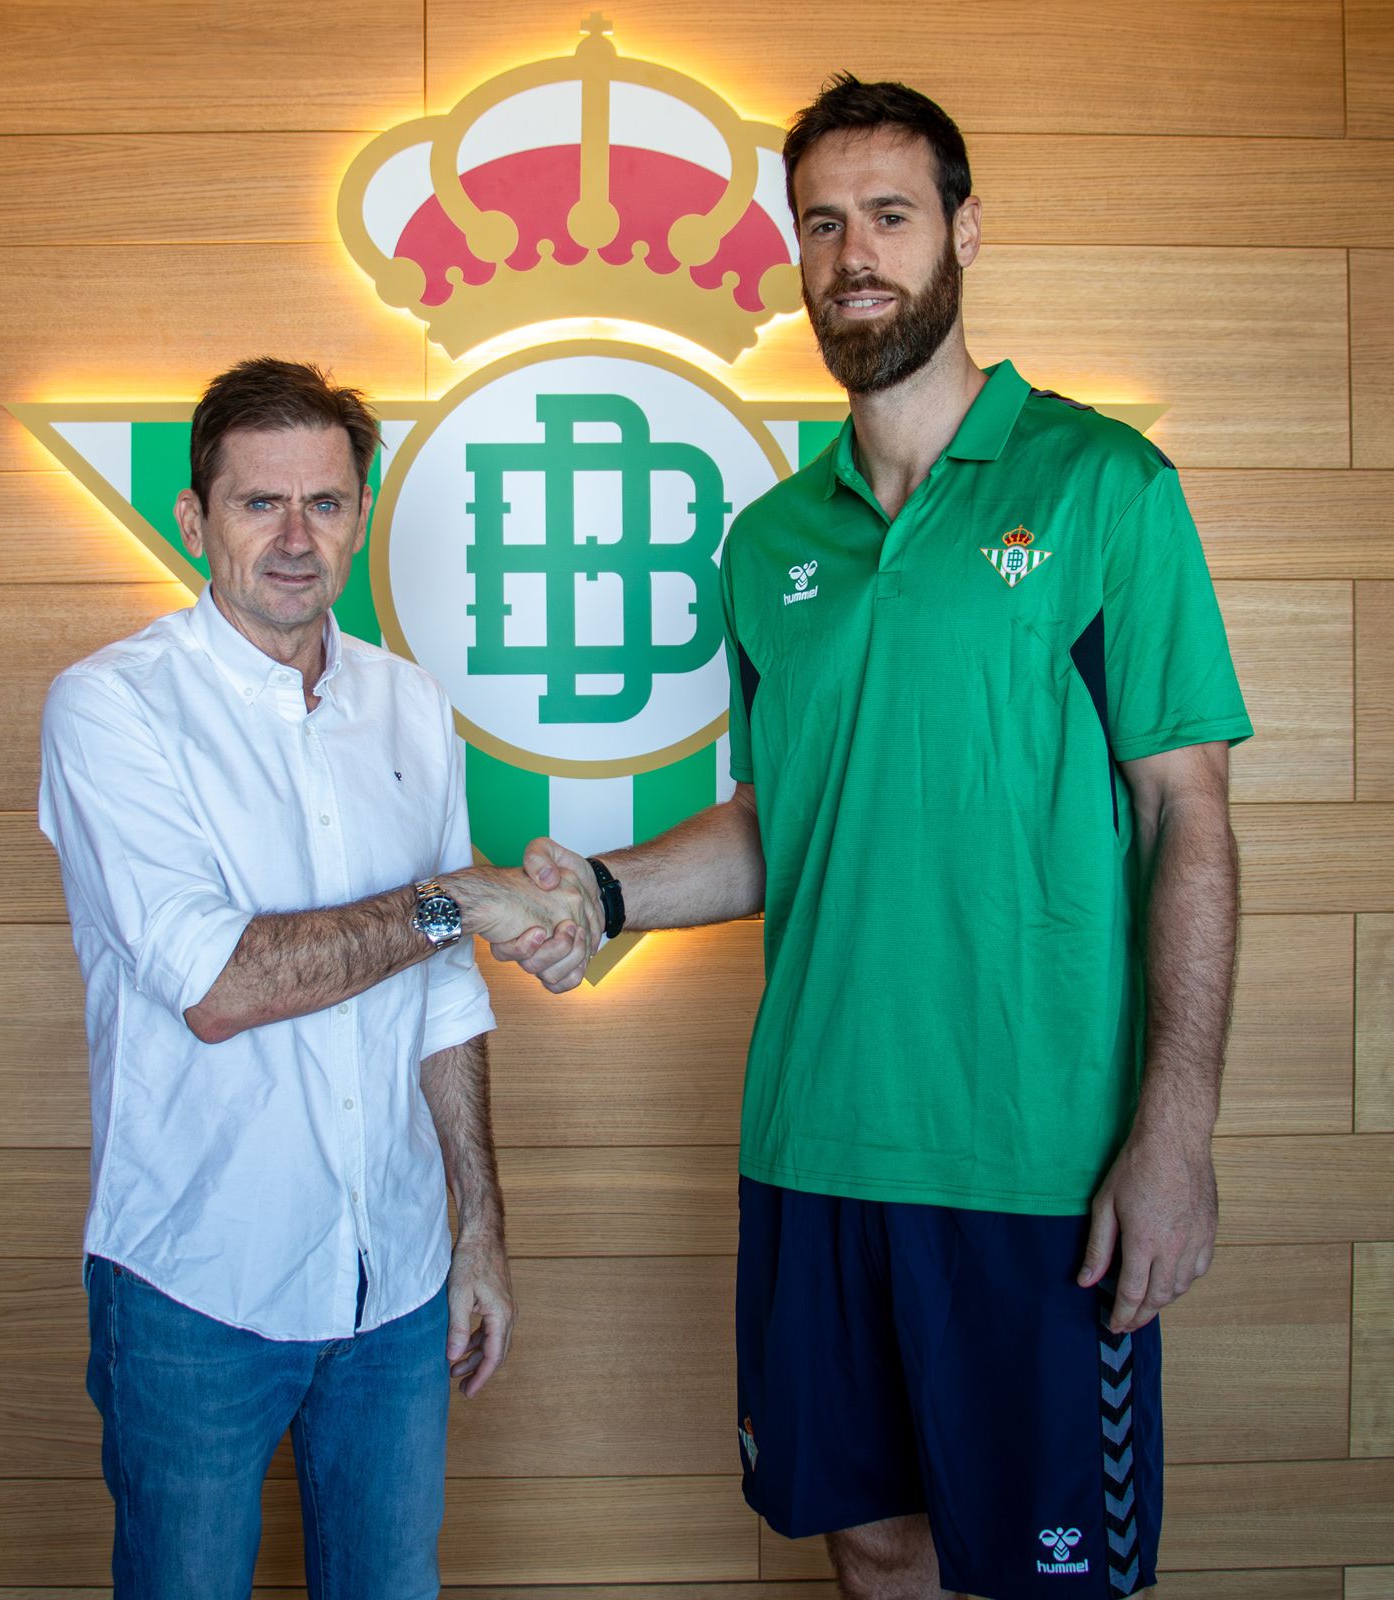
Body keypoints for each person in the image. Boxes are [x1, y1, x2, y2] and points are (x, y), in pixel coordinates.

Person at [496, 78, 1251, 1600]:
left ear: (963, 232)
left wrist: (1175, 1129)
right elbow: (785, 825)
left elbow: (1188, 814)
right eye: (823, 222)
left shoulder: (1104, 487)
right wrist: (604, 893)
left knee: (1048, 1575)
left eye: (891, 216)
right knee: (871, 1542)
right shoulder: (771, 542)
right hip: (812, 1145)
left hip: (1036, 1158)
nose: (854, 255)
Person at [37, 357, 601, 1600]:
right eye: (259, 503)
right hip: (193, 1283)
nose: (296, 539)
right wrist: (463, 899)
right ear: (194, 519)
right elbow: (218, 984)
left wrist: (478, 1230)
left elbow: (443, 999)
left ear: (359, 516)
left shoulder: (410, 705)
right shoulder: (110, 708)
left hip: (395, 1283)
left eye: (326, 503)